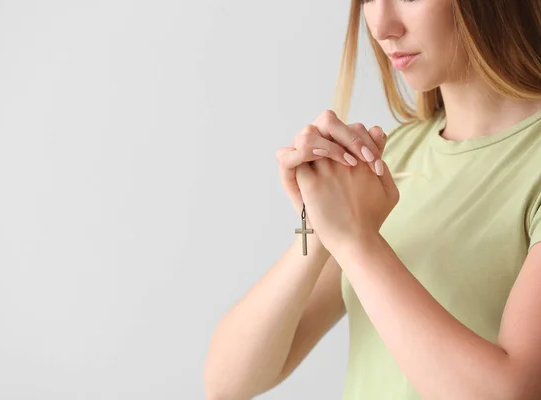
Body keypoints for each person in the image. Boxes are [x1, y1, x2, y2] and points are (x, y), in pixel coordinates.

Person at [203, 0, 541, 399]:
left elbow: (511, 392)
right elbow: (229, 383)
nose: (381, 26)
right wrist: (318, 229)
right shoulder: (391, 158)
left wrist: (357, 242)